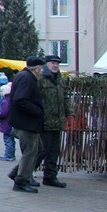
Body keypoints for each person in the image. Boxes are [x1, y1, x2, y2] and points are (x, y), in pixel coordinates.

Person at [7, 57, 45, 193]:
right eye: (41, 68)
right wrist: (37, 111)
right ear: (36, 68)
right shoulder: (27, 78)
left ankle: (17, 173)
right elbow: (21, 100)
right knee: (30, 152)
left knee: (39, 150)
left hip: (26, 122)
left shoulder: (23, 76)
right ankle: (21, 181)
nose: (42, 70)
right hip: (26, 123)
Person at [36, 54, 71, 188]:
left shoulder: (60, 79)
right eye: (53, 63)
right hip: (44, 121)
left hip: (57, 121)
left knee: (54, 151)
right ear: (46, 64)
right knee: (41, 150)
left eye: (57, 63)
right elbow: (34, 97)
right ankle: (22, 174)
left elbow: (65, 97)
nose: (55, 65)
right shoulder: (40, 78)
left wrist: (70, 113)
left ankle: (50, 177)